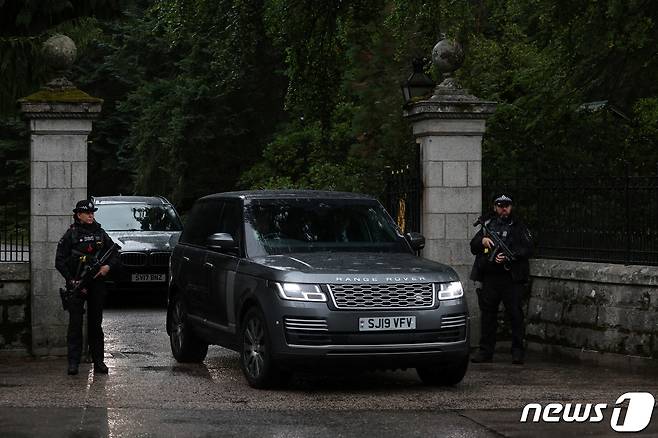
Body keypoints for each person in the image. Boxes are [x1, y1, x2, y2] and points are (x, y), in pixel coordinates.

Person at [55, 200, 121, 375]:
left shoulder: (100, 233)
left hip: (97, 284)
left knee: (95, 324)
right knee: (75, 324)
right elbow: (59, 261)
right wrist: (71, 280)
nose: (91, 216)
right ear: (79, 215)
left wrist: (107, 267)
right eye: (88, 213)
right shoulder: (71, 234)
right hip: (77, 283)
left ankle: (98, 361)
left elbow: (115, 254)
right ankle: (73, 363)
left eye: (93, 213)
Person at [469, 194, 533, 365]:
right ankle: (485, 351)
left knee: (515, 315)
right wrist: (483, 241)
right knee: (488, 315)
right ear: (495, 207)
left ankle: (517, 351)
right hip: (491, 277)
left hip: (511, 278)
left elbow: (528, 248)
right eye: (500, 205)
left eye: (507, 205)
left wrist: (508, 257)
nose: (504, 208)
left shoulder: (518, 226)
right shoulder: (488, 226)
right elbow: (473, 246)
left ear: (511, 207)